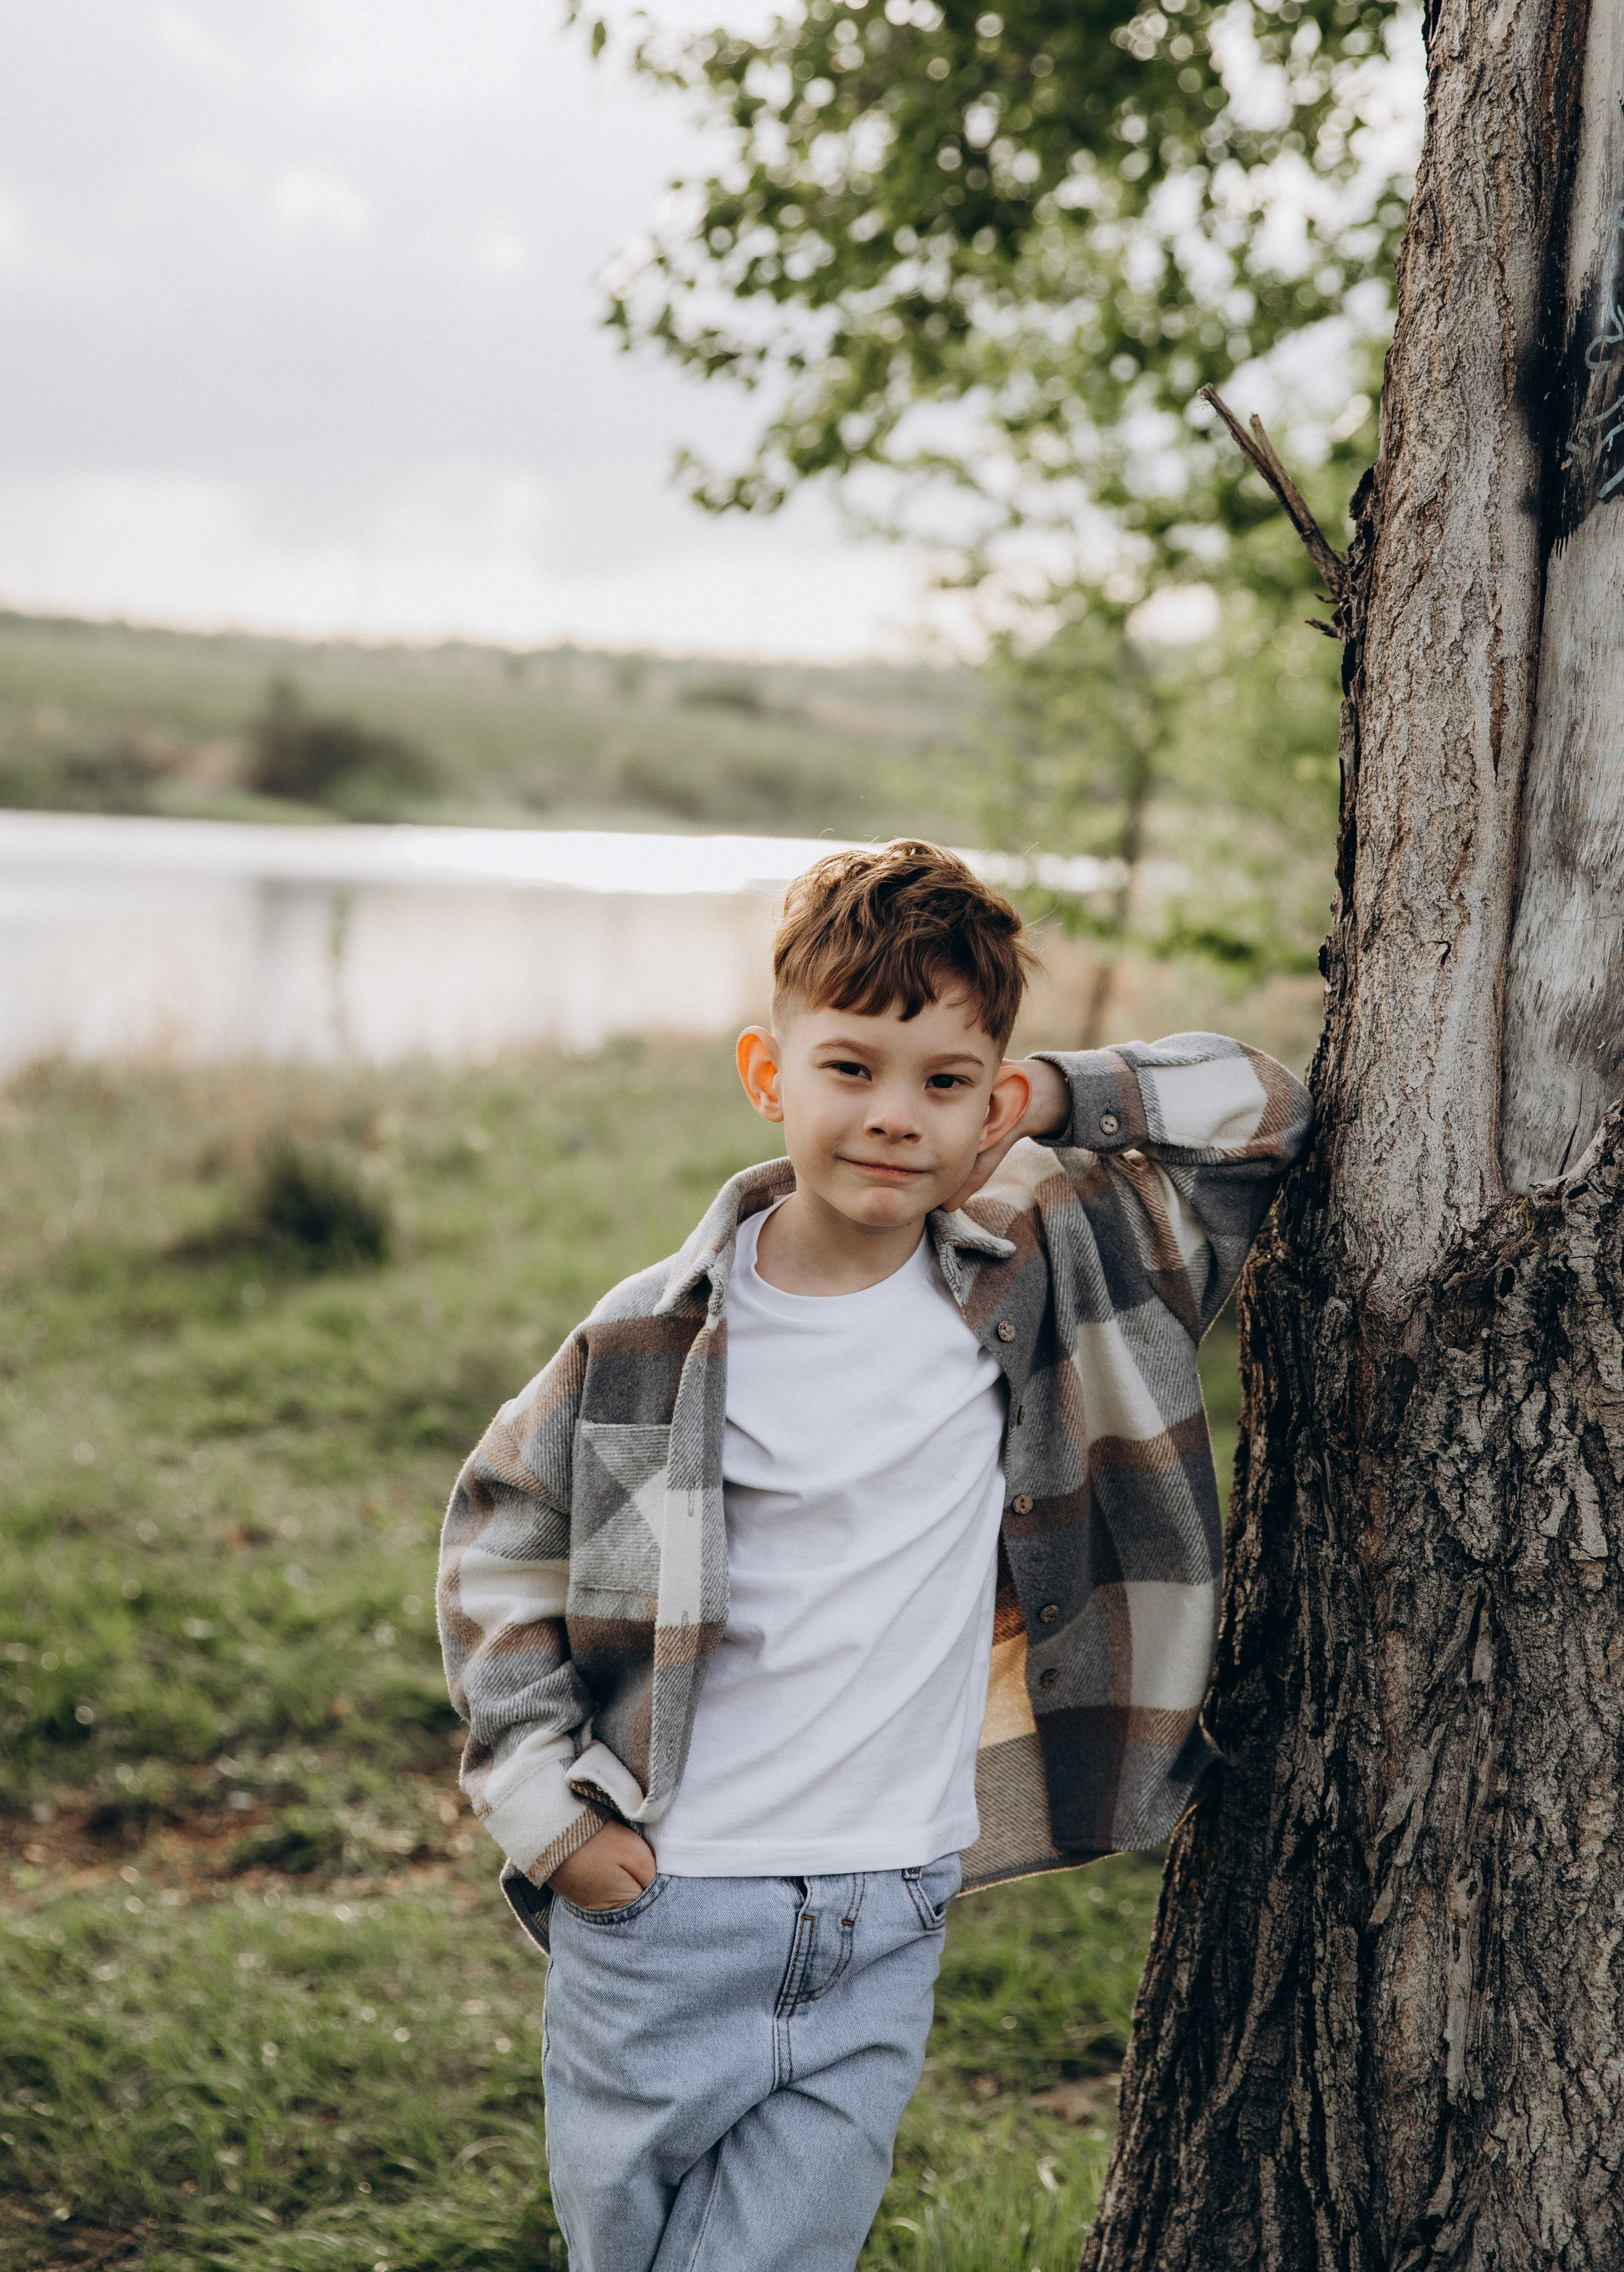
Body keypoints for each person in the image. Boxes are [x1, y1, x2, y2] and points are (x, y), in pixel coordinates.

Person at [437, 838, 1311, 2272]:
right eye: (850, 1069)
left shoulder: (1044, 1271)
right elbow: (494, 1547)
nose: (895, 1117)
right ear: (767, 1075)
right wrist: (554, 1824)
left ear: (990, 1097)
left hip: (886, 1912)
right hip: (662, 1914)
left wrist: (1057, 1096)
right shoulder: (645, 1341)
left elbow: (1267, 1117)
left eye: (945, 1080)